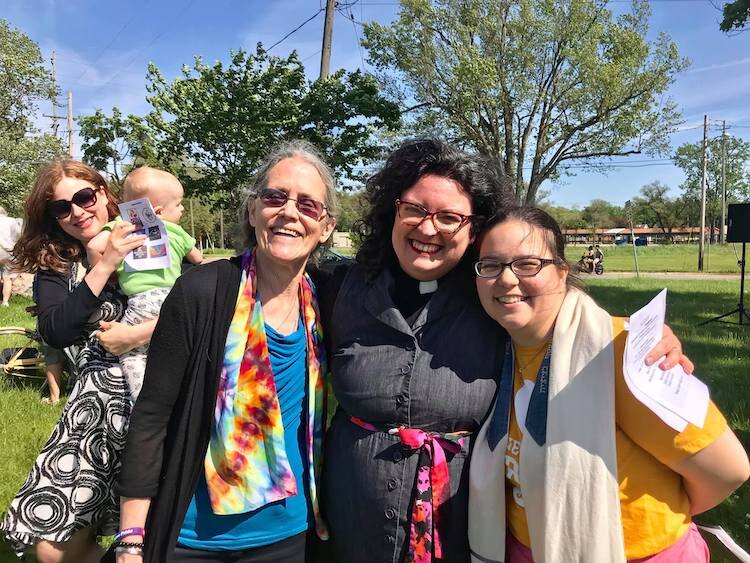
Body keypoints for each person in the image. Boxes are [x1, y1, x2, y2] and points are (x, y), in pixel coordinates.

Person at [310, 139, 692, 563]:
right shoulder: (338, 289)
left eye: (450, 217)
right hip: (350, 525)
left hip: (462, 528)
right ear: (392, 212)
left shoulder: (493, 296)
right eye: (414, 209)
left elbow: (565, 316)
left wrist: (637, 338)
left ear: (474, 229)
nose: (428, 228)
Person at [468, 206, 750, 563]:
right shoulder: (490, 350)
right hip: (525, 548)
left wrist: (644, 515)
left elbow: (728, 469)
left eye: (528, 264)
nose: (506, 279)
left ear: (562, 272)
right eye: (491, 266)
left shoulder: (621, 351)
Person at [115, 140, 336, 562]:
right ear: (253, 211)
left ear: (325, 226)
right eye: (275, 197)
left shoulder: (327, 300)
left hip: (288, 537)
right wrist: (130, 538)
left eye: (308, 205)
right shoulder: (201, 292)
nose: (289, 212)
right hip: (193, 538)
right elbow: (152, 415)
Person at [0, 160, 151, 563]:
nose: (77, 211)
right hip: (92, 416)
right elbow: (55, 331)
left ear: (103, 193)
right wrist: (104, 264)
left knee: (157, 534)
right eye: (61, 208)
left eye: (84, 197)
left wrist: (137, 334)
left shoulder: (146, 235)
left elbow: (197, 306)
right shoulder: (59, 263)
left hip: (157, 402)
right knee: (52, 551)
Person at [87, 166, 203, 401]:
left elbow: (93, 247)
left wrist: (112, 273)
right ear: (158, 211)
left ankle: (142, 398)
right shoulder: (176, 231)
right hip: (172, 299)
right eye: (179, 204)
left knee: (132, 356)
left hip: (140, 302)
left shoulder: (121, 225)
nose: (182, 209)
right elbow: (199, 259)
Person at [0, 205, 22, 306]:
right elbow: (18, 234)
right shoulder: (12, 221)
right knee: (7, 278)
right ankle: (5, 302)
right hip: (9, 251)